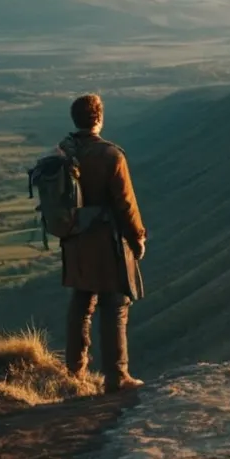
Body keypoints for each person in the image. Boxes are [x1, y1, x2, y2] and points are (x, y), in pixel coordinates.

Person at [58, 93, 147, 393]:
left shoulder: (64, 153)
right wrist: (138, 238)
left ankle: (74, 372)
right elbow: (126, 204)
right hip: (106, 241)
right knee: (115, 304)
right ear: (98, 118)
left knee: (81, 303)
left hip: (74, 240)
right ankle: (117, 376)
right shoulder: (111, 156)